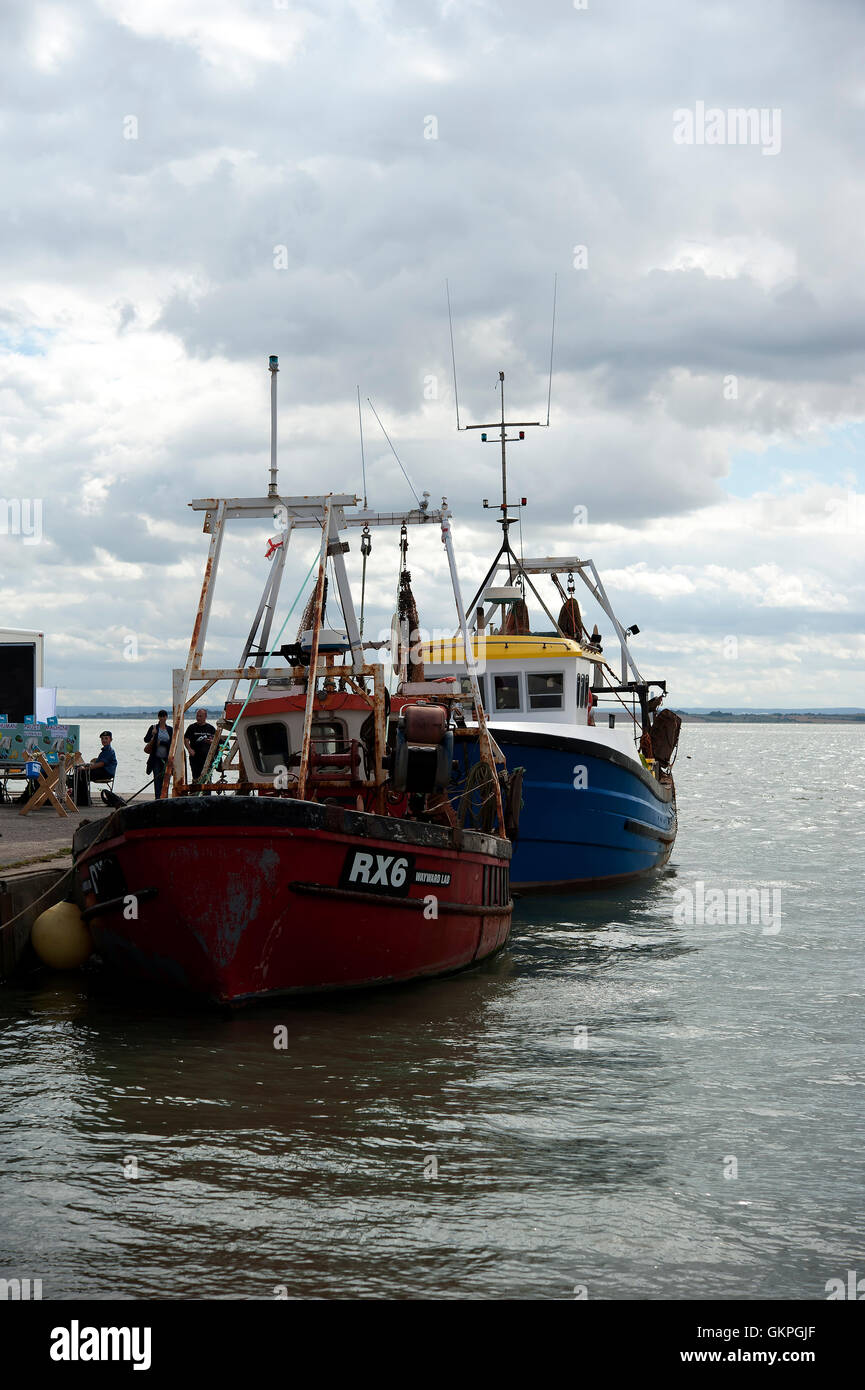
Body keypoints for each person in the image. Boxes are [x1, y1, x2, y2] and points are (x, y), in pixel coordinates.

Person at [144, 710, 173, 799]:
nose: (162, 718)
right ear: (158, 717)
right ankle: (158, 798)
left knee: (166, 779)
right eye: (160, 716)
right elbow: (146, 740)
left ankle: (165, 798)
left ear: (166, 717)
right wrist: (153, 735)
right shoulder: (153, 727)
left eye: (164, 716)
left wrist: (162, 743)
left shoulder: (170, 729)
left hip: (166, 758)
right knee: (157, 779)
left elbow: (172, 743)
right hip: (156, 758)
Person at [184, 708, 216, 785]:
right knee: (196, 778)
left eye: (200, 716)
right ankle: (195, 794)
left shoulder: (211, 728)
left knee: (207, 778)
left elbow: (216, 740)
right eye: (197, 716)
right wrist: (189, 749)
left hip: (207, 758)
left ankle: (207, 795)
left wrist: (212, 742)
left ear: (205, 716)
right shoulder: (192, 727)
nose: (198, 718)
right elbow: (186, 739)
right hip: (195, 757)